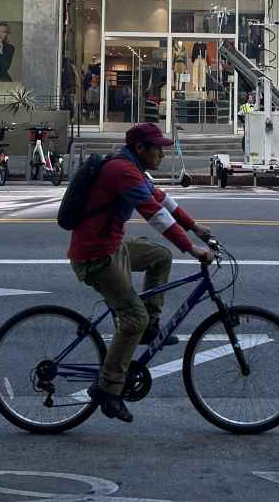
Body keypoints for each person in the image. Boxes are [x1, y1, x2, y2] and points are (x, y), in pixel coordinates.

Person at [69, 122, 215, 423]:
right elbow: (155, 214)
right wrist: (192, 248)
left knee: (160, 257)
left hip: (112, 246)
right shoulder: (122, 171)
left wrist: (195, 227)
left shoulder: (132, 168)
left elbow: (162, 199)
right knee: (133, 318)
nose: (162, 154)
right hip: (95, 255)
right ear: (140, 148)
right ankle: (108, 389)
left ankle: (149, 328)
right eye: (157, 149)